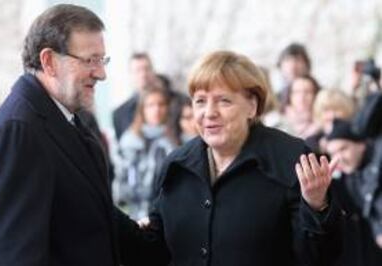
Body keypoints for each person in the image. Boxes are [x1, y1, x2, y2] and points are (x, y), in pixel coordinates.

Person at [0, 4, 147, 266]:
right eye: (90, 60)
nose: (101, 73)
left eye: (102, 60)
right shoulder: (18, 131)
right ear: (49, 62)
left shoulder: (59, 118)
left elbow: (87, 216)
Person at [138, 51, 344, 266]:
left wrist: (316, 207)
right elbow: (155, 251)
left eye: (223, 101)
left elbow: (320, 257)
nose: (209, 113)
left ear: (252, 106)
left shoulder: (291, 159)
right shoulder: (176, 166)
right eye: (200, 101)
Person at [113, 86, 176, 220]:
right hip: (136, 215)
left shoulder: (172, 140)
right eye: (150, 105)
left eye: (161, 104)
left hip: (167, 215)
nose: (157, 110)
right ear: (142, 110)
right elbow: (122, 185)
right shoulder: (131, 141)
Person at [325, 119, 382, 265]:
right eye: (333, 153)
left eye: (343, 149)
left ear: (361, 144)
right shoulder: (350, 179)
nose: (339, 159)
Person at [112, 53, 156, 140]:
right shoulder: (120, 114)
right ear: (131, 74)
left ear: (153, 71)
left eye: (147, 69)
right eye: (138, 70)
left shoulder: (173, 103)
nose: (143, 74)